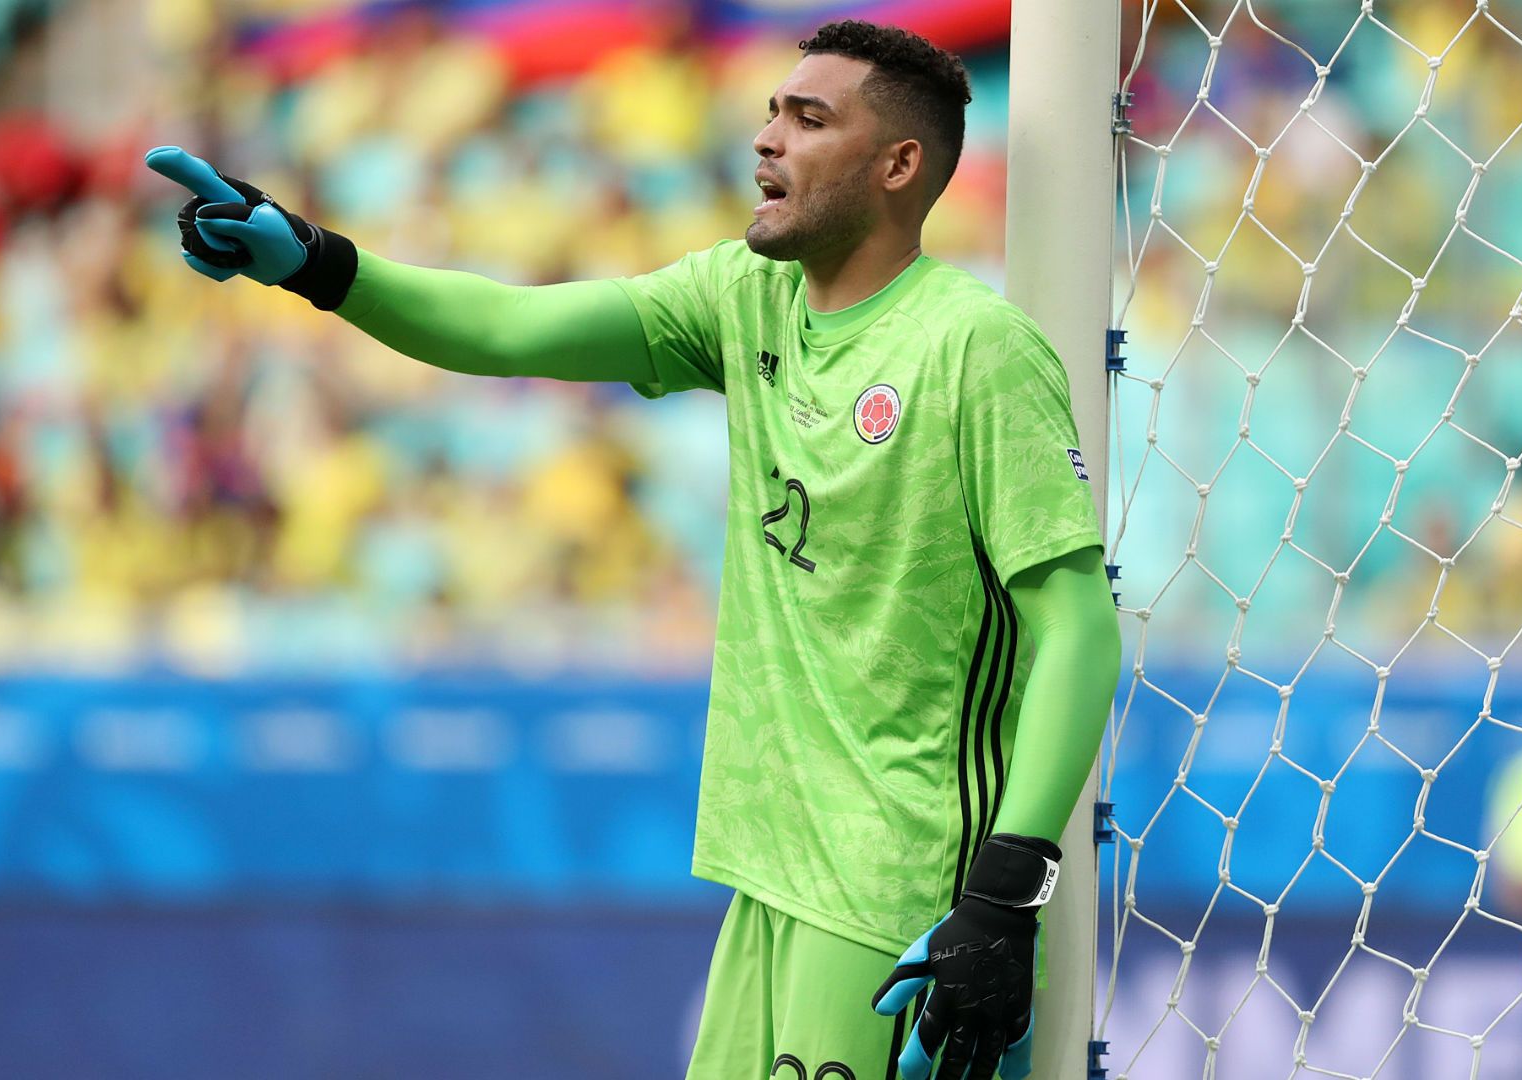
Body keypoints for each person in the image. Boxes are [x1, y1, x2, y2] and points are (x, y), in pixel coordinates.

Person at [146, 20, 1118, 1080]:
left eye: (809, 118)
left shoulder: (974, 348)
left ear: (899, 165)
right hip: (769, 877)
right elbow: (508, 329)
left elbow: (1077, 626)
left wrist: (1003, 894)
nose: (767, 140)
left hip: (900, 894)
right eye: (771, 113)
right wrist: (321, 265)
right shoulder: (744, 300)